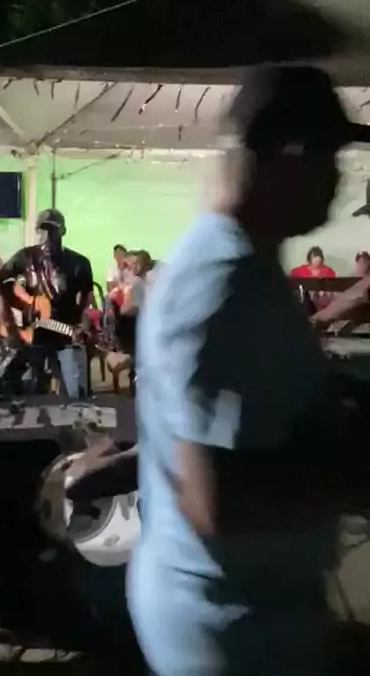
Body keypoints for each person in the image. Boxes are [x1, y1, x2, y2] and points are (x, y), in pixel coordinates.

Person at [118, 65, 370, 676]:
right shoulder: (225, 284)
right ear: (291, 155)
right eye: (331, 157)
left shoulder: (239, 265)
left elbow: (210, 427)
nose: (339, 179)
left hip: (248, 614)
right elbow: (220, 503)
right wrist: (350, 463)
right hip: (232, 632)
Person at [0, 209, 93, 400]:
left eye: (52, 231)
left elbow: (88, 300)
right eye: (42, 230)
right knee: (2, 384)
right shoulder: (25, 257)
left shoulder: (79, 263)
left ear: (63, 231)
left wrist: (84, 323)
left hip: (65, 335)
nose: (47, 237)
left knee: (77, 397)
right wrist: (5, 314)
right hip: (31, 337)